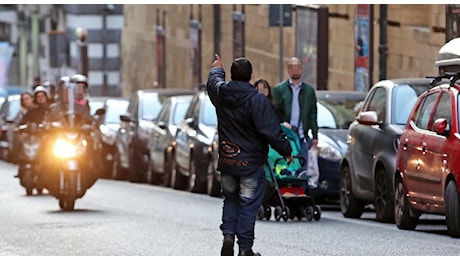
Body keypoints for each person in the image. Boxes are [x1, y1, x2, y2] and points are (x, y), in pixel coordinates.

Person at [207, 54, 293, 256]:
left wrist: (217, 68)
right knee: (248, 204)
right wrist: (286, 150)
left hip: (228, 161)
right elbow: (271, 130)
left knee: (230, 199)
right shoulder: (257, 101)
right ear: (251, 76)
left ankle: (228, 235)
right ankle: (245, 248)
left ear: (232, 75)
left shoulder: (221, 94)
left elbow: (213, 83)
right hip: (250, 163)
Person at [272, 57, 318, 174]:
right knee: (286, 168)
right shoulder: (279, 89)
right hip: (286, 136)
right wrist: (283, 123)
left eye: (297, 66)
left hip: (302, 136)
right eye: (292, 67)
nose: (295, 70)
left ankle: (303, 191)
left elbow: (312, 113)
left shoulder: (309, 91)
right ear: (288, 69)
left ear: (302, 68)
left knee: (303, 170)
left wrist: (315, 135)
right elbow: (275, 111)